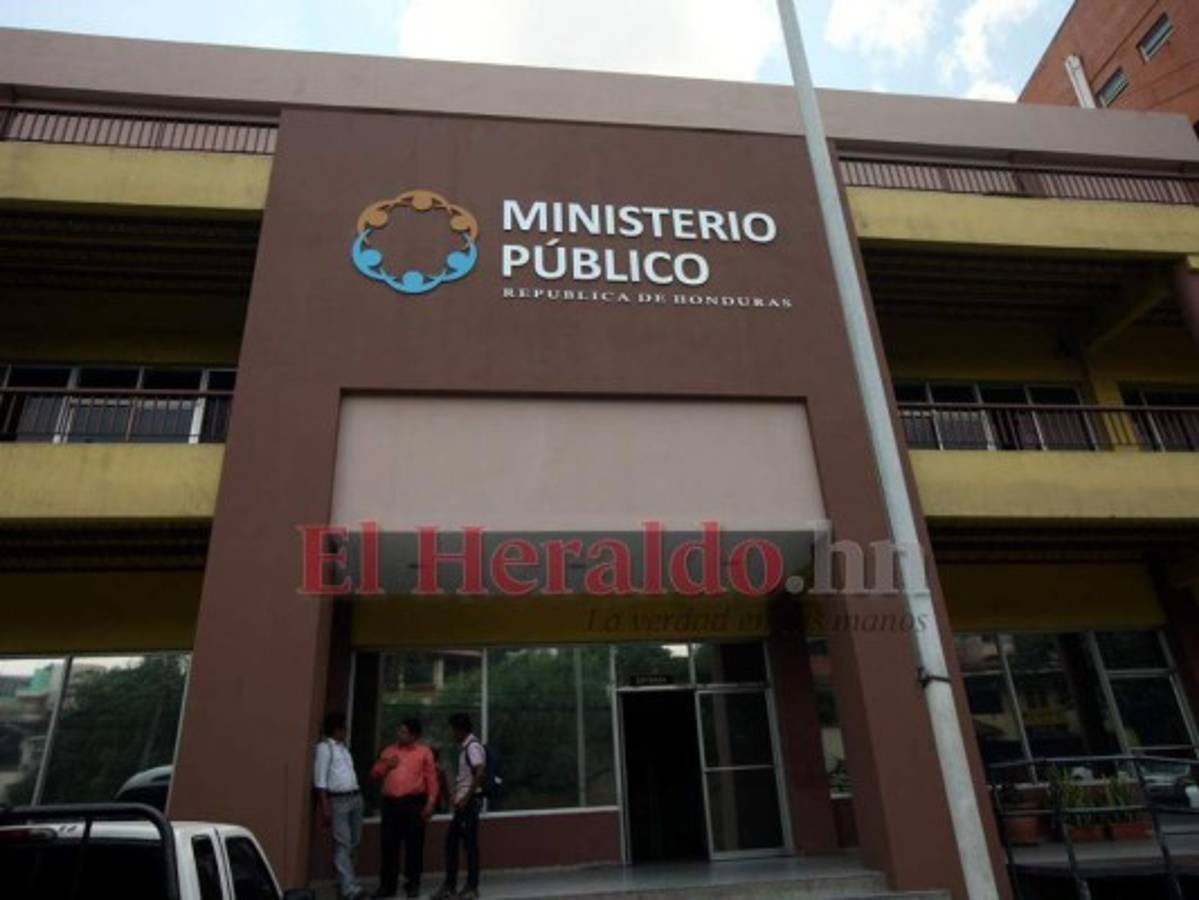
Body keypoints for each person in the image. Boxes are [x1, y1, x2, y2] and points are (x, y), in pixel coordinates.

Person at [370, 718, 438, 899]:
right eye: (399, 731)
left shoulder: (424, 752)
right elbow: (374, 773)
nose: (399, 734)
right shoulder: (389, 751)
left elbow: (431, 779)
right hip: (390, 804)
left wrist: (430, 803)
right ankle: (387, 885)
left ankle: (413, 883)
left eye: (403, 732)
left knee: (414, 845)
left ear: (414, 735)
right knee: (388, 845)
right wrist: (386, 766)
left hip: (414, 803)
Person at [431, 713, 485, 900]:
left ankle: (470, 887)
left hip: (468, 804)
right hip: (464, 804)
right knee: (453, 843)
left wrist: (466, 798)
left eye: (452, 730)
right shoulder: (466, 748)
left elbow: (479, 772)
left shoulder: (472, 747)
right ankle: (451, 885)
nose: (451, 734)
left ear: (460, 730)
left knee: (468, 846)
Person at [314, 711, 366, 899]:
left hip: (354, 797)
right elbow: (320, 780)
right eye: (344, 728)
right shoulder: (325, 748)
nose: (346, 731)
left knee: (354, 842)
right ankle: (348, 889)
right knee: (343, 844)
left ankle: (348, 881)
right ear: (336, 729)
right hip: (339, 800)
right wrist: (325, 806)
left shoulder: (343, 749)